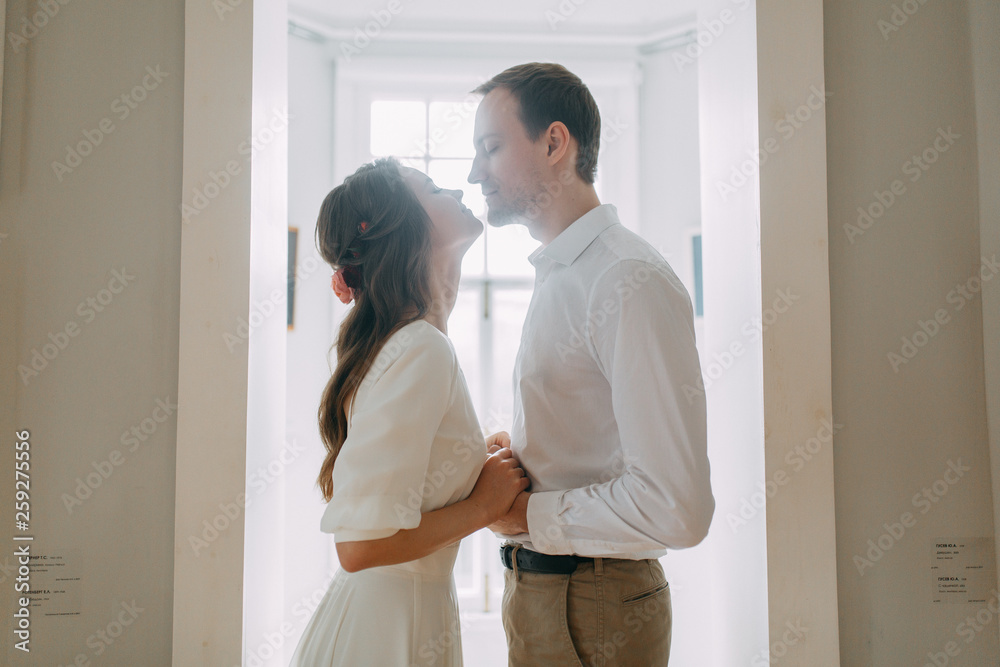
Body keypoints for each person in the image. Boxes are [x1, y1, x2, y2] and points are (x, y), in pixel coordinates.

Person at [467, 62, 715, 666]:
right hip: (548, 594)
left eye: (491, 149)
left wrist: (528, 512)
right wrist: (528, 456)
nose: (475, 174)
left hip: (592, 603)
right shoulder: (563, 276)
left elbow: (677, 508)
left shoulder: (628, 281)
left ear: (556, 143)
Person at [288, 157, 530, 667]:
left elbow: (404, 495)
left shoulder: (410, 345)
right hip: (387, 630)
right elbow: (359, 549)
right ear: (405, 228)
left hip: (398, 618)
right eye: (434, 187)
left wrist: (469, 462)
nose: (459, 189)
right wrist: (483, 505)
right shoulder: (419, 347)